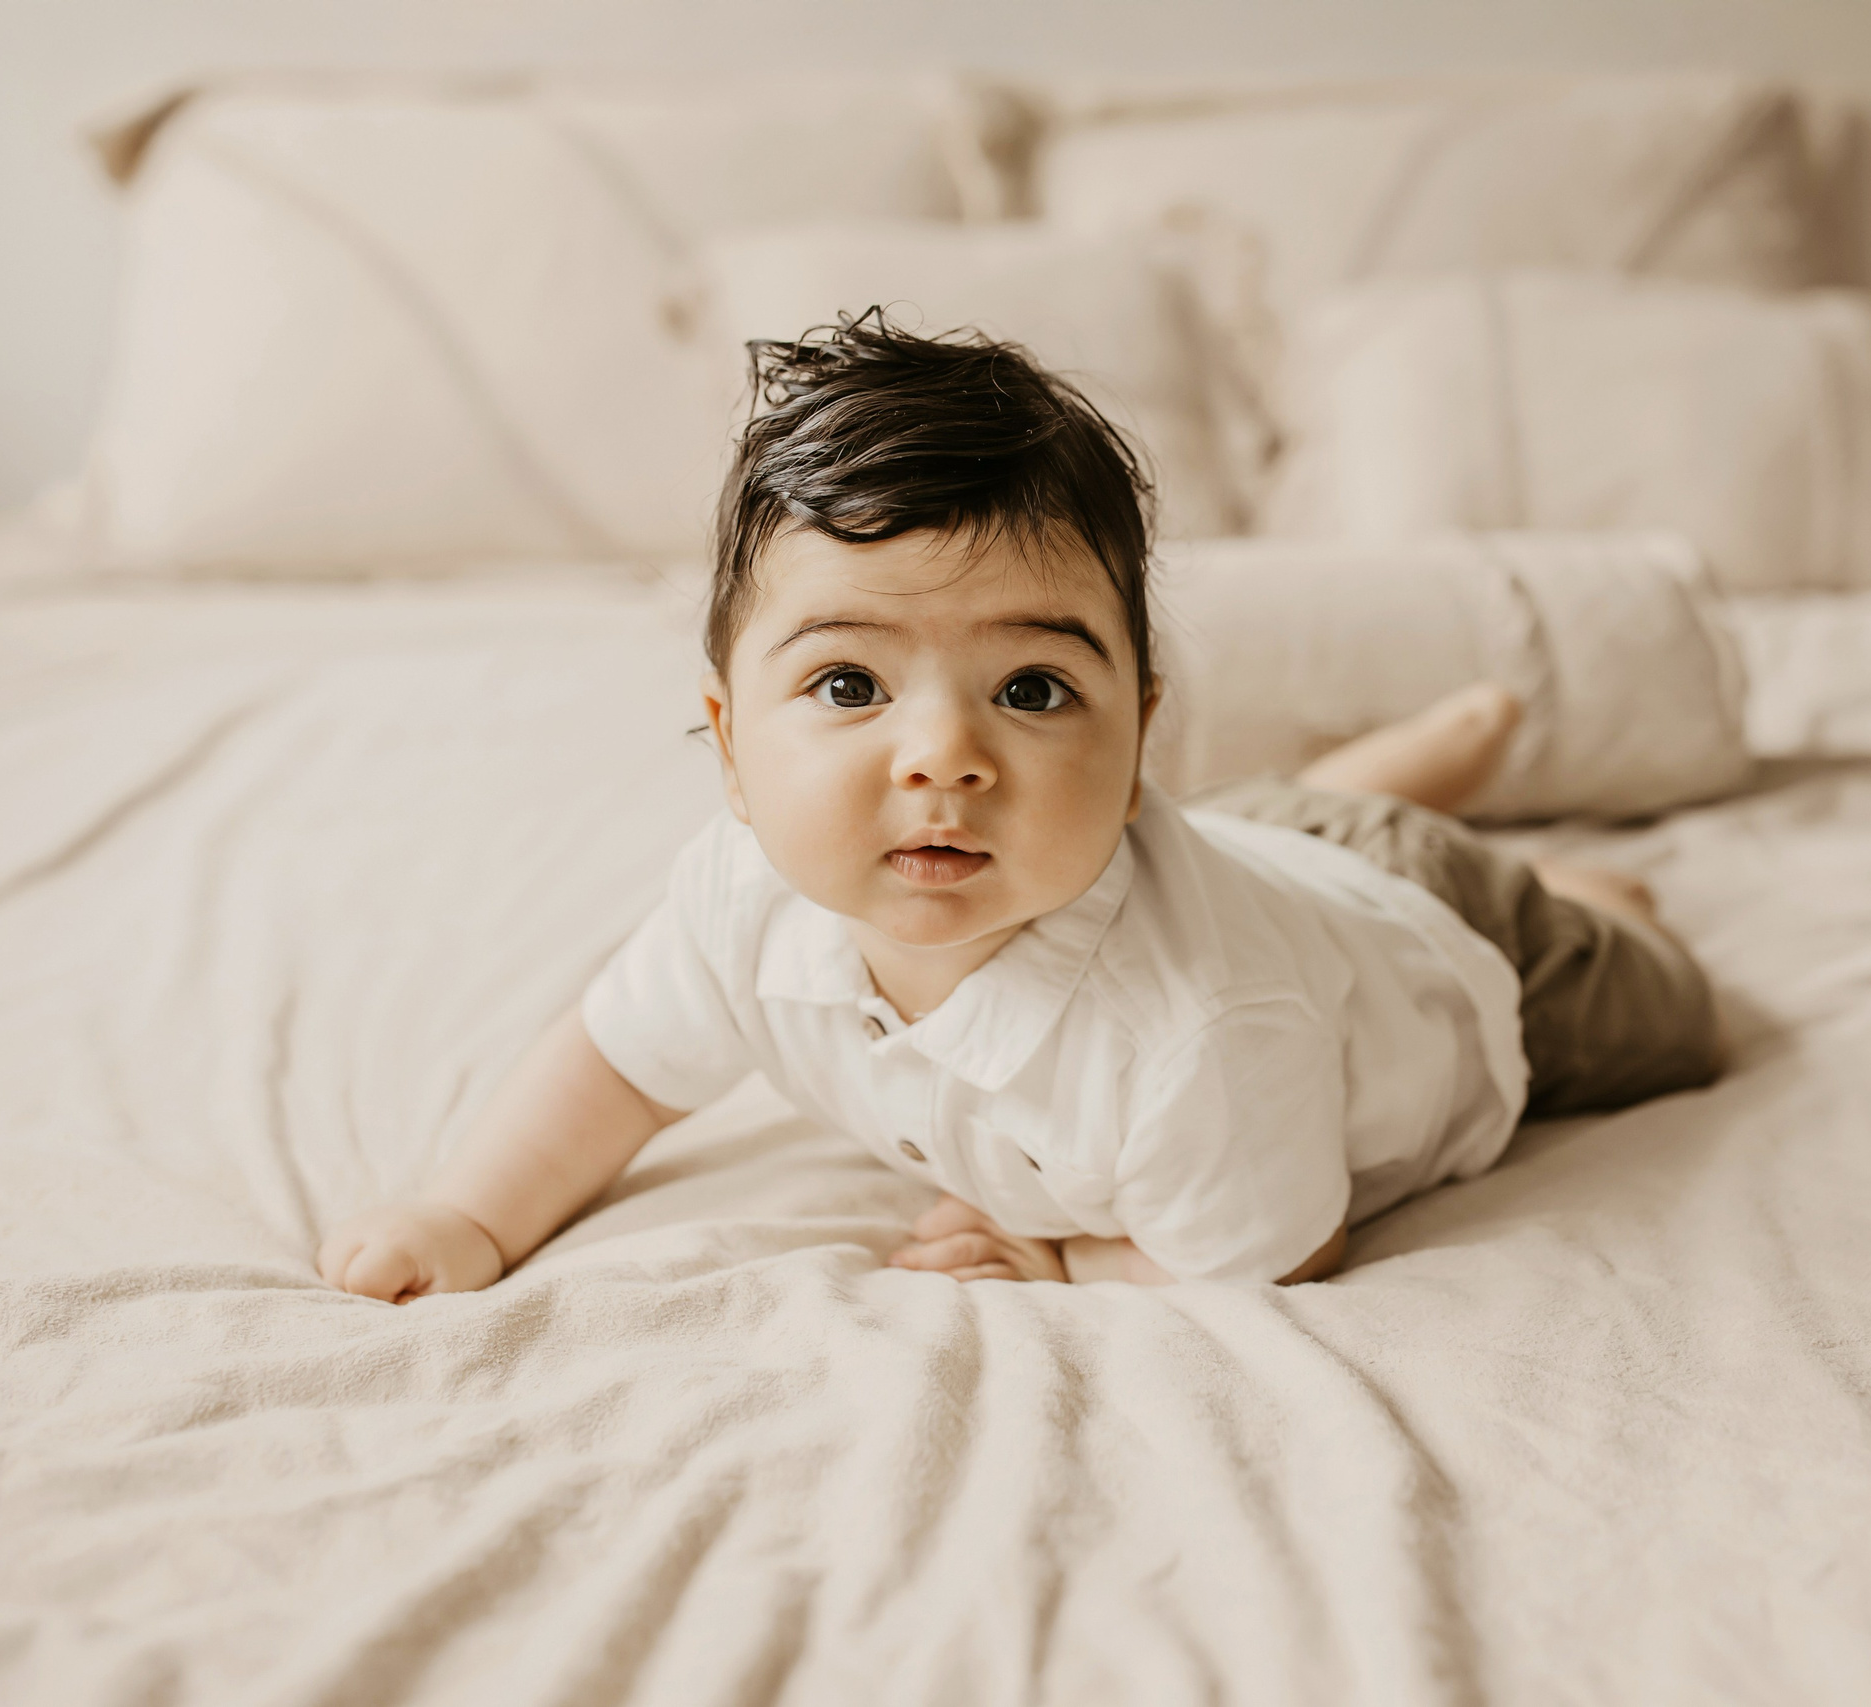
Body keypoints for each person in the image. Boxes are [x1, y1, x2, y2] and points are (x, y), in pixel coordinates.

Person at [317, 313, 1719, 1300]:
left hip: (1447, 940)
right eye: (851, 684)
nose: (944, 759)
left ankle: (1563, 883)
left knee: (1674, 1019)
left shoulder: (1199, 1039)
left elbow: (1283, 1250)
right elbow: (617, 1067)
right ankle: (1388, 770)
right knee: (1270, 837)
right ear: (730, 745)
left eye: (1033, 691)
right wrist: (468, 1215)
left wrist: (1059, 1255)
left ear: (1141, 734)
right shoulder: (738, 899)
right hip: (1257, 854)